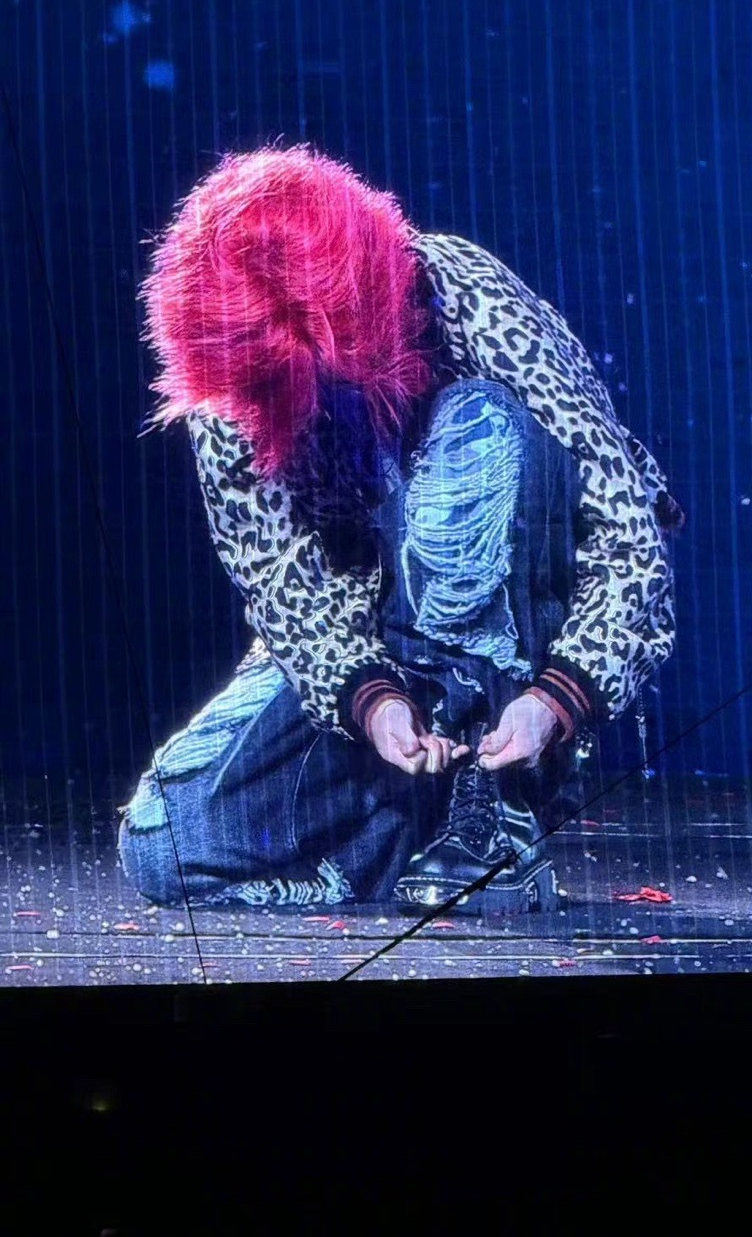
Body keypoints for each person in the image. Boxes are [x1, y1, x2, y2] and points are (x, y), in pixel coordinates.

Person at [117, 145, 681, 912]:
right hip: (376, 650)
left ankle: (497, 803)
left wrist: (555, 700)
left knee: (480, 424)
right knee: (164, 845)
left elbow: (626, 529)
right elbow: (283, 587)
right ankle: (421, 828)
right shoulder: (233, 386)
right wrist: (373, 702)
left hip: (515, 649)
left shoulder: (459, 290)